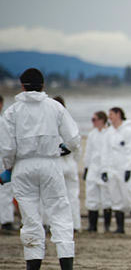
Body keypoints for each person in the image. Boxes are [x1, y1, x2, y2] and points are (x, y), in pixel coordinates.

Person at [0, 68, 81, 270]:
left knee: (30, 217)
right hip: (50, 163)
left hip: (23, 166)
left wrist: (8, 168)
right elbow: (73, 137)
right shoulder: (55, 107)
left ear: (22, 85)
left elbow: (6, 147)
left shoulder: (13, 112)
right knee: (60, 213)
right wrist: (65, 148)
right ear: (43, 85)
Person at [105, 106, 131, 234]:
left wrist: (128, 168)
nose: (109, 117)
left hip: (125, 170)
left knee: (130, 197)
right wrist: (105, 169)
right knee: (115, 198)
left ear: (118, 114)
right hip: (112, 170)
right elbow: (106, 152)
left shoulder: (128, 131)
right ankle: (120, 227)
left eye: (111, 114)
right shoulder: (109, 132)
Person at [51, 95, 82, 232]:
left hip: (57, 163)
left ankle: (52, 225)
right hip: (70, 163)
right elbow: (77, 144)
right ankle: (75, 225)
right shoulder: (71, 122)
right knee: (72, 196)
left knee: (53, 196)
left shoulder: (50, 122)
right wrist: (74, 158)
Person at [83, 111, 110, 232]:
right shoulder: (92, 134)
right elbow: (88, 152)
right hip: (93, 168)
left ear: (101, 120)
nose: (93, 122)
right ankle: (92, 226)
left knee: (106, 197)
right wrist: (86, 167)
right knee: (91, 195)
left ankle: (107, 227)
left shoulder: (109, 133)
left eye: (94, 119)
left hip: (106, 168)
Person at [0, 94, 15, 232]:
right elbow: (6, 146)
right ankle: (6, 221)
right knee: (5, 191)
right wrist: (9, 166)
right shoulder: (2, 122)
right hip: (1, 160)